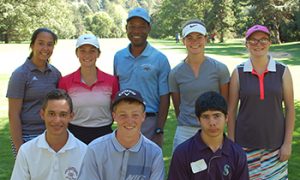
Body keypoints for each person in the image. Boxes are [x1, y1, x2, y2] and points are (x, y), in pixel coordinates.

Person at [227, 25, 295, 180]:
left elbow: (290, 109)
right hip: (244, 145)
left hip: (274, 144)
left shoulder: (282, 71)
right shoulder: (238, 72)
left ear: (270, 43)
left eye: (263, 40)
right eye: (253, 40)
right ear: (247, 44)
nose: (258, 44)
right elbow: (231, 111)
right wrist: (231, 144)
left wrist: (287, 143)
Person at [80, 88, 165, 180]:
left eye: (135, 115)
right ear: (114, 116)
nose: (129, 120)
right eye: (123, 115)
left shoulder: (154, 153)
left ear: (143, 116)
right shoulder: (95, 149)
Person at [164, 91, 251, 180]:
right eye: (206, 116)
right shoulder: (183, 153)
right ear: (198, 119)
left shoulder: (237, 154)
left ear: (226, 117)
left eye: (216, 116)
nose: (212, 123)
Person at [7, 89, 87, 180]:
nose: (56, 120)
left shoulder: (84, 152)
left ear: (71, 116)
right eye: (51, 114)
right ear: (42, 114)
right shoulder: (27, 150)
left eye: (63, 114)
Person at [169, 19, 230, 151]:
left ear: (206, 39)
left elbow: (225, 103)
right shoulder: (175, 73)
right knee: (182, 169)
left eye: (199, 37)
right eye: (189, 38)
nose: (194, 41)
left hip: (212, 128)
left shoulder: (220, 69)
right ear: (183, 41)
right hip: (185, 130)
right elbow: (178, 105)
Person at [114, 7, 171, 147]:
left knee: (148, 167)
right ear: (126, 28)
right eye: (132, 26)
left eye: (141, 26)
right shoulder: (118, 57)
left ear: (149, 28)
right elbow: (116, 89)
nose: (136, 31)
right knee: (123, 166)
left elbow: (165, 97)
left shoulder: (160, 59)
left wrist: (159, 129)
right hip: (124, 121)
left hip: (149, 122)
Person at [6, 28, 61, 157]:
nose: (45, 48)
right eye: (41, 43)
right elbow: (13, 114)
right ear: (32, 45)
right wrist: (20, 148)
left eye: (50, 44)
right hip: (27, 138)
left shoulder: (56, 74)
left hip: (50, 136)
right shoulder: (20, 74)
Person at [58, 34, 119, 144]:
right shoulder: (65, 81)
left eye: (92, 51)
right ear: (76, 53)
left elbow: (116, 110)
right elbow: (62, 112)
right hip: (75, 134)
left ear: (98, 53)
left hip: (104, 133)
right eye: (82, 50)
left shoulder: (111, 81)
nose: (87, 55)